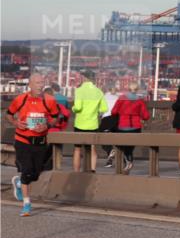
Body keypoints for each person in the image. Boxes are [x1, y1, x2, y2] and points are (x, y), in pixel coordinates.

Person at [7, 73, 63, 216]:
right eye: (37, 83)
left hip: (40, 142)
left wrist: (48, 125)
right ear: (30, 85)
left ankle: (20, 183)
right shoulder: (21, 99)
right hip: (22, 140)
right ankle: (27, 205)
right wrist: (16, 122)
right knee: (27, 170)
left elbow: (56, 117)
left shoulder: (49, 100)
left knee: (36, 175)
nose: (40, 85)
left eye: (42, 82)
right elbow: (8, 114)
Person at [71, 70, 106, 172]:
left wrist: (73, 109)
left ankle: (76, 172)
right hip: (93, 124)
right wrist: (95, 111)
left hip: (80, 124)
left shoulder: (79, 90)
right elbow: (104, 108)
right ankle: (92, 170)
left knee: (77, 149)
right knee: (92, 148)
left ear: (84, 78)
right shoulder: (99, 92)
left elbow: (78, 107)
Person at [111, 83, 150, 174]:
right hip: (135, 127)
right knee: (129, 148)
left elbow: (113, 112)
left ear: (128, 89)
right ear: (137, 90)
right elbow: (146, 116)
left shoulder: (121, 98)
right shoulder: (140, 101)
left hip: (123, 126)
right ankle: (128, 164)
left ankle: (125, 165)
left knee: (122, 147)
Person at [101, 82, 120, 168]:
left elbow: (101, 110)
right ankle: (123, 160)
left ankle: (110, 151)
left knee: (103, 138)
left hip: (106, 119)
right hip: (117, 119)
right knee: (117, 140)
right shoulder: (118, 97)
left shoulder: (104, 97)